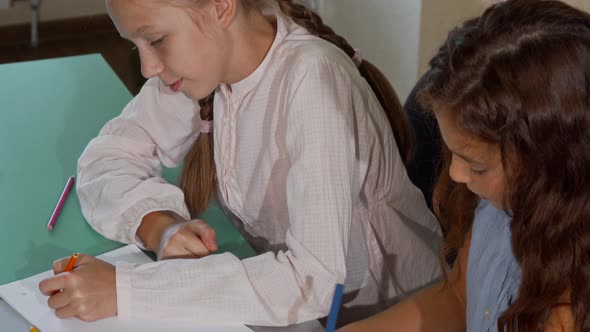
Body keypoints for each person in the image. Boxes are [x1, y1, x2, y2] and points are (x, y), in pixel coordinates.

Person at [38, 0, 441, 326]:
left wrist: (126, 290)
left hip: (398, 313)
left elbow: (313, 281)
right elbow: (107, 157)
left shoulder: (313, 84)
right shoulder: (204, 66)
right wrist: (159, 227)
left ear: (220, 7)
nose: (148, 68)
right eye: (136, 45)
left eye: (156, 40)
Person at [339, 0, 590, 331]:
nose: (456, 174)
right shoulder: (494, 205)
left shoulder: (575, 288)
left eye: (477, 166)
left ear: (552, 163)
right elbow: (459, 299)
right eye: (452, 151)